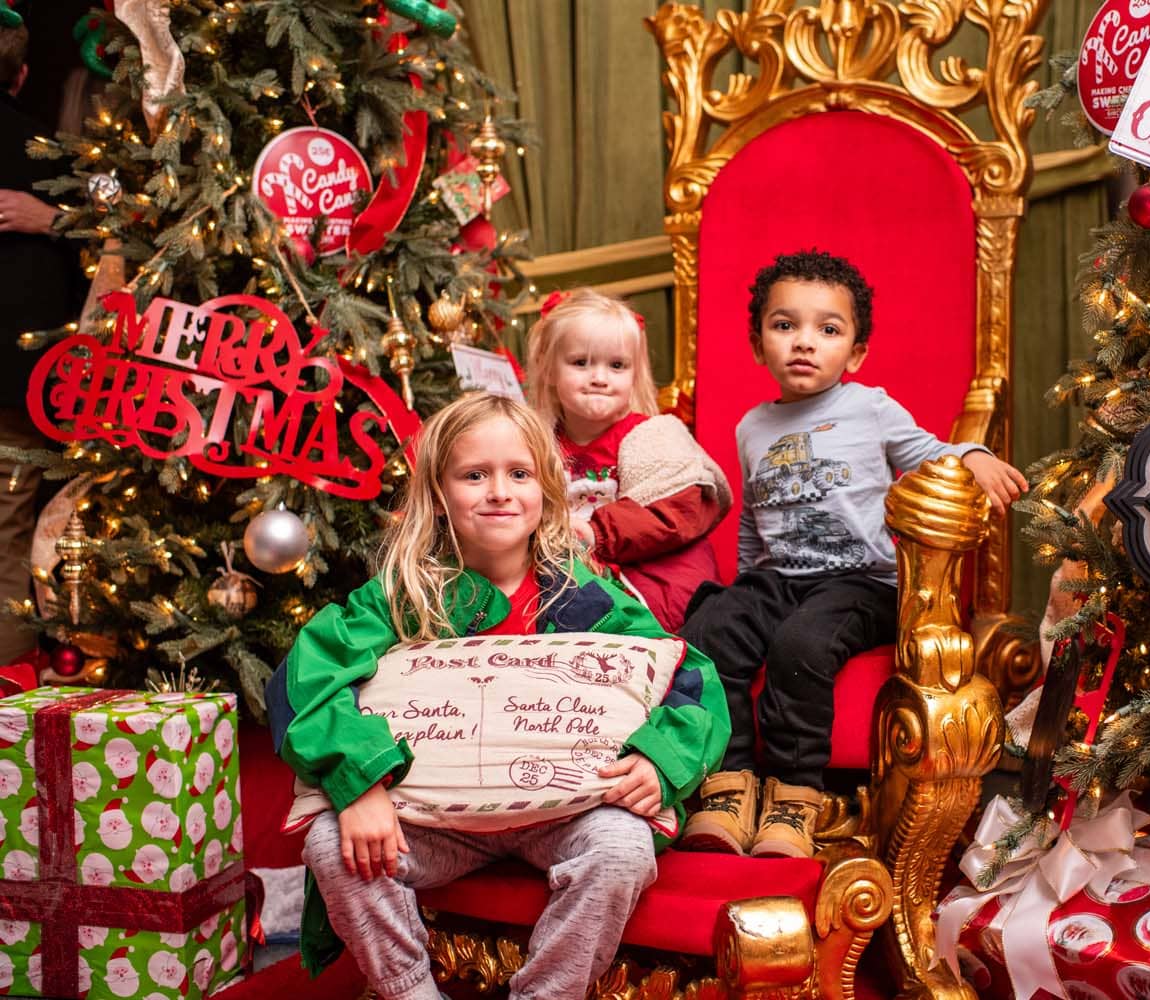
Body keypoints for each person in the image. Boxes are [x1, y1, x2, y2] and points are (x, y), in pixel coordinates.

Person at [268, 394, 729, 1000]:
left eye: (518, 474)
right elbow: (304, 681)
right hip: (430, 823)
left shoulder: (586, 600)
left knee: (621, 847)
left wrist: (658, 759)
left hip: (564, 812)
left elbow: (686, 677)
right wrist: (360, 783)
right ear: (438, 494)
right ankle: (409, 991)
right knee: (330, 841)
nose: (499, 492)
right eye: (474, 475)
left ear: (547, 491)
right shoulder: (400, 599)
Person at [678, 250, 1028, 859]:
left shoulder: (870, 407)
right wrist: (744, 592)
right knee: (712, 631)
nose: (804, 342)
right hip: (779, 576)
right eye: (784, 326)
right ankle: (728, 787)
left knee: (802, 645)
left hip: (860, 581)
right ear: (759, 345)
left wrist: (971, 454)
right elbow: (755, 522)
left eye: (828, 330)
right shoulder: (751, 426)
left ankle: (794, 795)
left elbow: (929, 451)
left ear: (856, 353)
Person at [526, 288, 730, 631]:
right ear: (548, 369)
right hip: (573, 566)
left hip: (648, 570)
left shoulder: (654, 436)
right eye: (580, 363)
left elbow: (678, 508)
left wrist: (595, 533)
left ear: (634, 373)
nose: (600, 378)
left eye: (616, 365)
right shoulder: (537, 441)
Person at [0, 20, 78, 665]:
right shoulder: (42, 151)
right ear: (21, 75)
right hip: (20, 384)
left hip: (17, 384)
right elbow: (122, 236)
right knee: (9, 542)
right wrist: (57, 219)